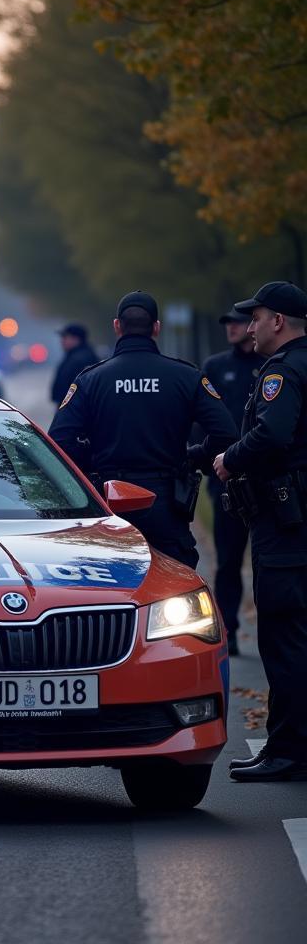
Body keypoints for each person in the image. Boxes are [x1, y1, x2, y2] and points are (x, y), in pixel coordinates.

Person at [48, 290, 236, 568]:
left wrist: (94, 460)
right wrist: (192, 456)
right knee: (175, 588)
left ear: (117, 326)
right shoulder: (186, 376)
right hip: (167, 502)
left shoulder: (91, 379)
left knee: (113, 588)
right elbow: (226, 434)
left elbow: (59, 441)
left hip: (110, 499)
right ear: (156, 328)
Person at [213, 281, 307, 782]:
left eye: (257, 316)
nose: (248, 325)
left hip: (285, 523)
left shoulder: (283, 371)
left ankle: (287, 751)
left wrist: (230, 458)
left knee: (283, 634)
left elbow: (273, 433)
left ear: (279, 321)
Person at [202, 310, 260, 654]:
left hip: (267, 476)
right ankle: (230, 630)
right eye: (226, 323)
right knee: (228, 561)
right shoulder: (215, 367)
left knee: (271, 559)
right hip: (226, 479)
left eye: (237, 322)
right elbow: (201, 422)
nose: (232, 328)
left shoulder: (272, 365)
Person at [51, 323, 98, 405]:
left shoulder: (81, 359)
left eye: (65, 337)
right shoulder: (73, 356)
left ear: (76, 339)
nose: (62, 341)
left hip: (74, 409)